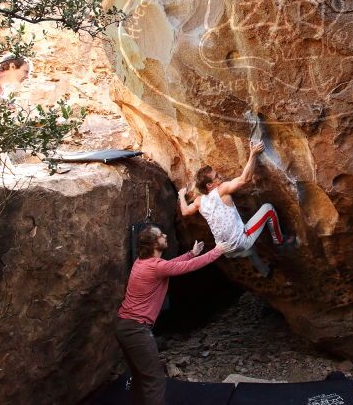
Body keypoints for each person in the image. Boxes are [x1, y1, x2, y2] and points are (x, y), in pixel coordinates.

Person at [116, 226, 234, 405]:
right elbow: (186, 267)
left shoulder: (142, 262)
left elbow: (171, 266)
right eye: (160, 235)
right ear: (154, 243)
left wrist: (191, 253)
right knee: (154, 379)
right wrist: (216, 252)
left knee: (141, 377)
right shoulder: (154, 267)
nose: (164, 236)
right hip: (136, 330)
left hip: (125, 327)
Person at [178, 140, 295, 277]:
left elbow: (185, 211)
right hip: (240, 242)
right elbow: (244, 179)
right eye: (216, 176)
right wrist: (253, 154)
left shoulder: (199, 202)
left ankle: (265, 272)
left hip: (224, 250)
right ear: (210, 185)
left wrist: (181, 195)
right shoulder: (221, 190)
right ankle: (279, 241)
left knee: (250, 250)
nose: (220, 176)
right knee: (268, 209)